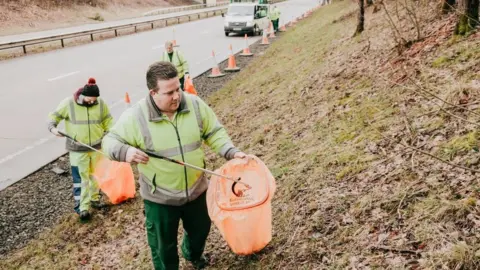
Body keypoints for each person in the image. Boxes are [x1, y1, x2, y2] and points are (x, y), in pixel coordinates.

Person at [101, 61, 246, 270]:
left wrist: (232, 152)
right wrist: (126, 151)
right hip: (160, 198)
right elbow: (109, 141)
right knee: (163, 248)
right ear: (153, 93)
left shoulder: (194, 105)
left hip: (197, 191)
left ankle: (192, 253)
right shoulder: (136, 117)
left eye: (178, 88)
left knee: (200, 232)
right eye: (169, 93)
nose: (177, 96)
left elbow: (214, 132)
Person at [48, 78, 113, 221]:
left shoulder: (100, 103)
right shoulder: (69, 103)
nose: (92, 102)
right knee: (81, 179)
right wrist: (53, 129)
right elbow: (53, 118)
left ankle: (95, 200)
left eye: (94, 100)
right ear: (83, 96)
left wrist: (111, 134)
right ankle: (82, 208)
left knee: (96, 175)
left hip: (96, 147)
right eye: (90, 100)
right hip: (77, 150)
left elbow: (108, 121)